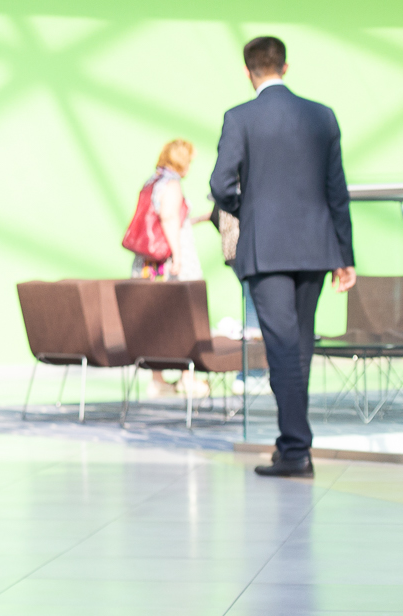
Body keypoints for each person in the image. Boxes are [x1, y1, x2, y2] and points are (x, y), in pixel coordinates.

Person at [209, 36, 355, 479]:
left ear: (248, 71)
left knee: (283, 347)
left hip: (266, 248)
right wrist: (345, 255)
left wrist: (247, 210)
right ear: (285, 67)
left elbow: (220, 185)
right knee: (300, 346)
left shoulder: (239, 117)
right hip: (316, 247)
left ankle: (295, 450)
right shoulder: (322, 116)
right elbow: (337, 191)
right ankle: (291, 443)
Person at [128, 138, 213, 281]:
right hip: (166, 259)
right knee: (177, 294)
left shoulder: (153, 181)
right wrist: (177, 257)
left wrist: (199, 219)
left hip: (147, 257)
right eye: (189, 162)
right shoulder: (171, 184)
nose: (189, 167)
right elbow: (168, 218)